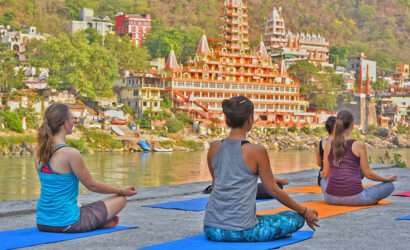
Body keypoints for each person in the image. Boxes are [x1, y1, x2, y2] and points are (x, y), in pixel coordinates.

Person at [204, 96, 319, 242]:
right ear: (250, 120)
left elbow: (220, 182)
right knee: (295, 218)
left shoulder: (214, 147)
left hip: (211, 229)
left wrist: (267, 179)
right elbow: (274, 190)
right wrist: (304, 211)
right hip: (243, 231)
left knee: (260, 216)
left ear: (227, 120)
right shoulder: (256, 151)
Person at [35, 103, 137, 233]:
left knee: (82, 207)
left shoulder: (38, 151)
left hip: (43, 222)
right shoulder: (70, 153)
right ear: (65, 123)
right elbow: (92, 186)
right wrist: (122, 191)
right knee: (120, 200)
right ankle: (98, 221)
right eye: (72, 118)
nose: (74, 121)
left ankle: (98, 221)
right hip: (68, 223)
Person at [321, 110, 396, 206]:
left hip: (330, 198)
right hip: (355, 198)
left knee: (323, 180)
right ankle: (369, 198)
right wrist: (386, 179)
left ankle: (351, 192)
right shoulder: (358, 145)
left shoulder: (329, 144)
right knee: (389, 186)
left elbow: (325, 173)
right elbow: (368, 174)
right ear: (352, 125)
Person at [315, 116, 336, 186]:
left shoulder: (320, 142)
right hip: (335, 178)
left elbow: (319, 163)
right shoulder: (340, 143)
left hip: (321, 178)